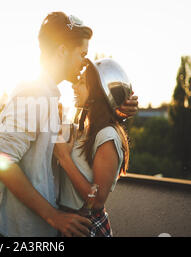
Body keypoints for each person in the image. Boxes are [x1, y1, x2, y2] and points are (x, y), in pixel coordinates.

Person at [0, 12, 138, 237]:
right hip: (10, 232)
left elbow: (86, 137)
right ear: (62, 51)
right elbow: (0, 159)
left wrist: (120, 110)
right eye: (82, 54)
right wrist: (53, 216)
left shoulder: (52, 101)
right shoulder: (32, 95)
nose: (84, 63)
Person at [54, 58, 131, 237]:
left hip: (86, 227)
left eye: (82, 83)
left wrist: (65, 159)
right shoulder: (83, 130)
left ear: (98, 92)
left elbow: (97, 199)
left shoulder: (107, 136)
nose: (74, 86)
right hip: (68, 223)